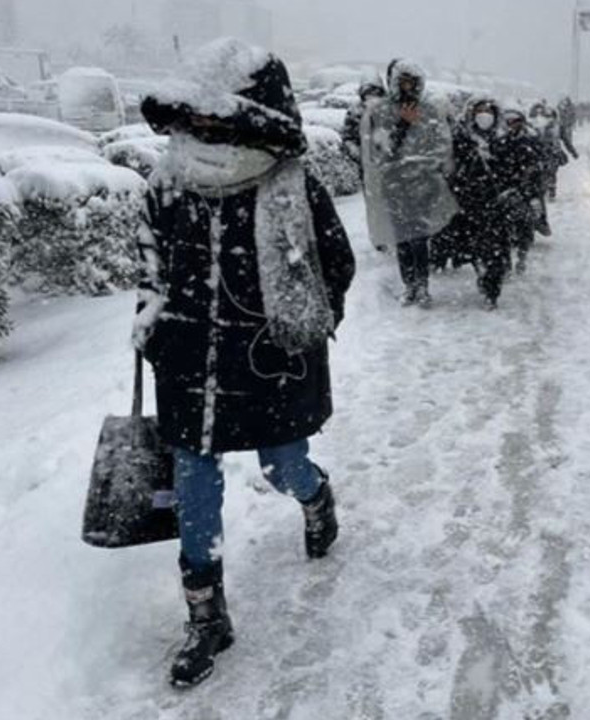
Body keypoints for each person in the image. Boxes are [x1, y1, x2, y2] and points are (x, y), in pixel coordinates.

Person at [135, 38, 356, 689]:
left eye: (217, 117)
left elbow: (334, 266)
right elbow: (150, 268)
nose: (203, 129)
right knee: (194, 483)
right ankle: (206, 616)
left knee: (281, 465)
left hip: (268, 364)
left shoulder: (290, 186)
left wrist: (299, 329)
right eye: (196, 117)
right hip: (188, 365)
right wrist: (152, 328)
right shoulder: (167, 183)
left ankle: (316, 497)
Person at [360, 59, 457, 307]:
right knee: (402, 237)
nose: (407, 88)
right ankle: (409, 285)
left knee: (420, 237)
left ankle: (422, 286)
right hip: (394, 184)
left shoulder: (430, 111)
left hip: (423, 184)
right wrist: (403, 125)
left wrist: (427, 167)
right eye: (402, 82)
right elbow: (381, 149)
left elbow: (441, 146)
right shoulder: (381, 112)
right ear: (394, 83)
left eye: (412, 83)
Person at [448, 97, 511, 309]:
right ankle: (482, 273)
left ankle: (492, 289)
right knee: (474, 247)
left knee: (495, 249)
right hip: (469, 202)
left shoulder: (503, 139)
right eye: (480, 110)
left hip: (496, 203)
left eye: (488, 111)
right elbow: (452, 167)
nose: (484, 115)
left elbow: (512, 168)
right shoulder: (461, 138)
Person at [495, 108, 545, 275]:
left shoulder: (531, 140)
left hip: (525, 191)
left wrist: (533, 193)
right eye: (508, 121)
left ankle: (522, 257)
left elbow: (538, 168)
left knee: (524, 227)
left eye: (514, 121)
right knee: (502, 230)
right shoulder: (499, 141)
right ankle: (506, 262)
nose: (511, 124)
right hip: (505, 190)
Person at [341, 81, 386, 169]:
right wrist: (358, 154)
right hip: (363, 162)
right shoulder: (355, 112)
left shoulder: (387, 112)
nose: (372, 99)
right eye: (368, 96)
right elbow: (348, 137)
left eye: (376, 96)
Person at [557, 96, 580, 161]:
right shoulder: (561, 107)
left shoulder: (571, 107)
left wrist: (572, 122)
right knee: (566, 137)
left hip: (568, 124)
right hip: (563, 124)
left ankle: (570, 146)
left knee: (567, 137)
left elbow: (573, 115)